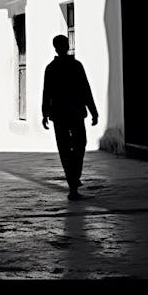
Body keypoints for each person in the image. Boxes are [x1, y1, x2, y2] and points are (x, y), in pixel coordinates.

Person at [41, 35, 98, 200]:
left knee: (66, 148)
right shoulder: (75, 66)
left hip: (60, 115)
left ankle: (73, 180)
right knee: (78, 146)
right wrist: (93, 111)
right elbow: (85, 89)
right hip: (74, 113)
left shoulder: (52, 68)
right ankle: (74, 181)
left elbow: (47, 93)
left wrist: (45, 113)